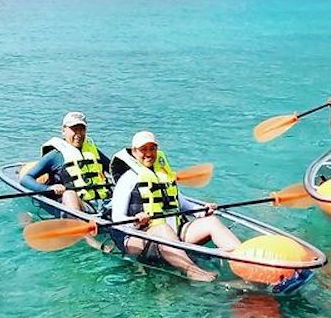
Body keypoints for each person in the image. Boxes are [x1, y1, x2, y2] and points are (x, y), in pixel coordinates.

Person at [110, 131, 241, 283]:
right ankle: (193, 272)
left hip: (173, 234)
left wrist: (202, 211)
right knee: (162, 229)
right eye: (143, 149)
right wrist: (135, 221)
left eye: (152, 148)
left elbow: (181, 202)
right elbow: (116, 218)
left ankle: (243, 258)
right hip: (139, 238)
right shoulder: (128, 179)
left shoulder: (162, 174)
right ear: (134, 152)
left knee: (211, 221)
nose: (148, 153)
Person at [20, 111, 111, 213]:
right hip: (80, 205)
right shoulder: (55, 155)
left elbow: (114, 170)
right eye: (74, 129)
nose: (78, 134)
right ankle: (77, 224)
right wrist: (47, 188)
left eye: (82, 129)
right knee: (69, 194)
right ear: (64, 131)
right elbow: (25, 179)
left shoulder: (93, 152)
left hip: (104, 203)